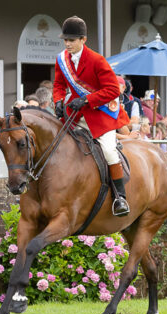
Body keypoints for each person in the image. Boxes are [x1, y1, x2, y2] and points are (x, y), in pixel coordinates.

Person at [53, 15, 130, 216]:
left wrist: (88, 100)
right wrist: (58, 100)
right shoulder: (61, 59)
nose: (67, 44)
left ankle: (120, 197)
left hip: (101, 115)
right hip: (76, 114)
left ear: (83, 40)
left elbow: (113, 89)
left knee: (109, 151)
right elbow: (59, 85)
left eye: (71, 40)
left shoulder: (97, 60)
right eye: (65, 40)